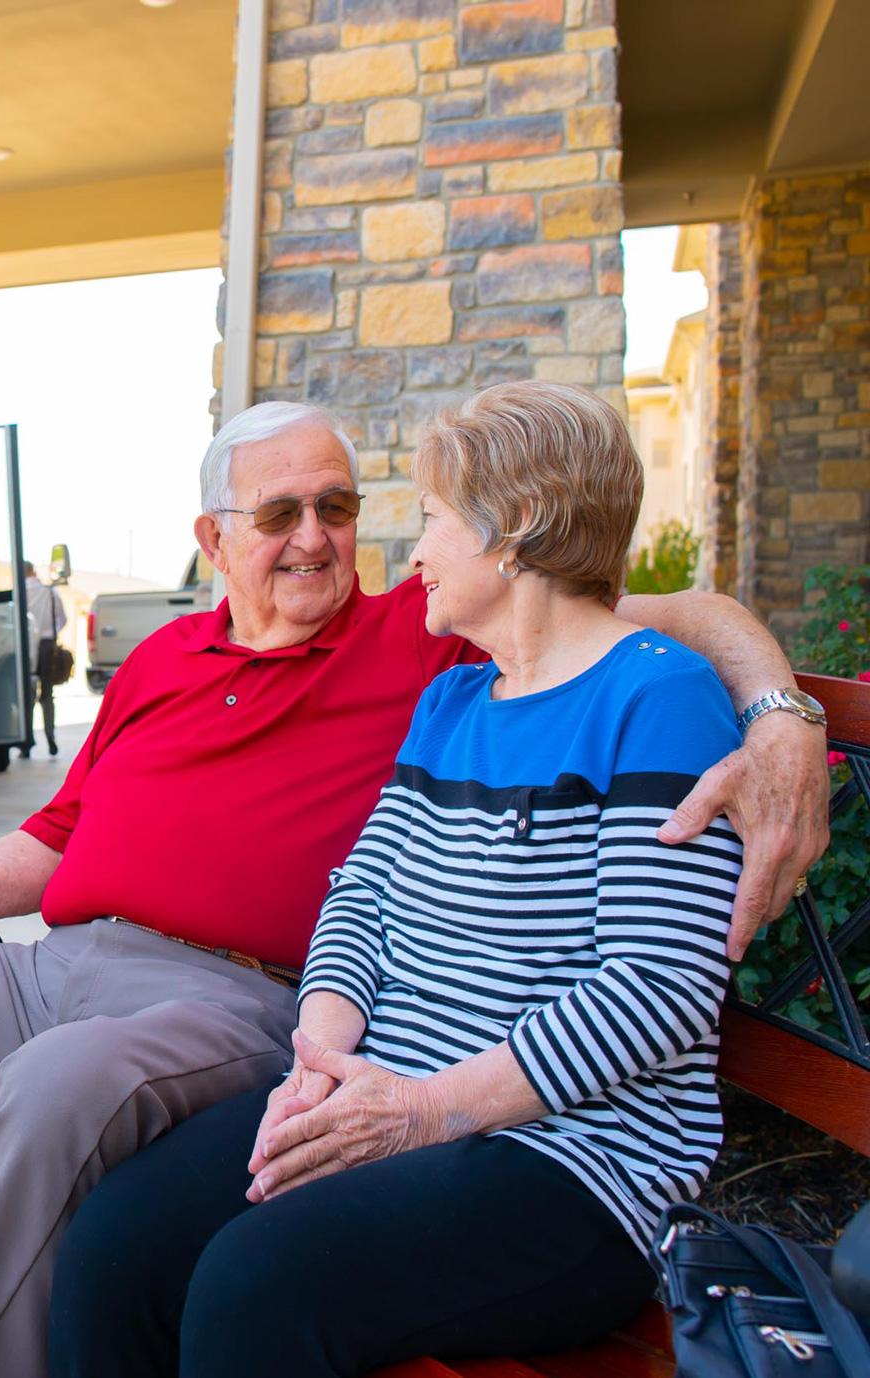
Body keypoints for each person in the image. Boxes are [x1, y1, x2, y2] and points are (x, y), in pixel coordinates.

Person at [0, 399, 829, 1378]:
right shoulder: (260, 671)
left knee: (140, 1179)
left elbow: (660, 649)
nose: (339, 540)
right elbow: (301, 884)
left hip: (282, 1029)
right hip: (95, 973)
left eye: (359, 511)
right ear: (214, 540)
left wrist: (780, 715)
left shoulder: (450, 651)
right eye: (282, 515)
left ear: (506, 532)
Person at [47, 381, 765, 1378]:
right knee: (114, 1245)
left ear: (515, 530)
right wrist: (322, 1052)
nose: (412, 552)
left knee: (256, 1287)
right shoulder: (455, 699)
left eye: (430, 518)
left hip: (568, 1162)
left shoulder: (654, 698)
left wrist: (428, 1110)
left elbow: (656, 990)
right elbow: (362, 891)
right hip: (383, 1098)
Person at [22, 559, 67, 756]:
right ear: (33, 571)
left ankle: (26, 742)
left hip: (26, 645)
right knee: (47, 695)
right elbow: (62, 619)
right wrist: (51, 632)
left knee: (27, 695)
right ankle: (50, 737)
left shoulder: (20, 593)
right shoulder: (49, 592)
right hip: (47, 646)